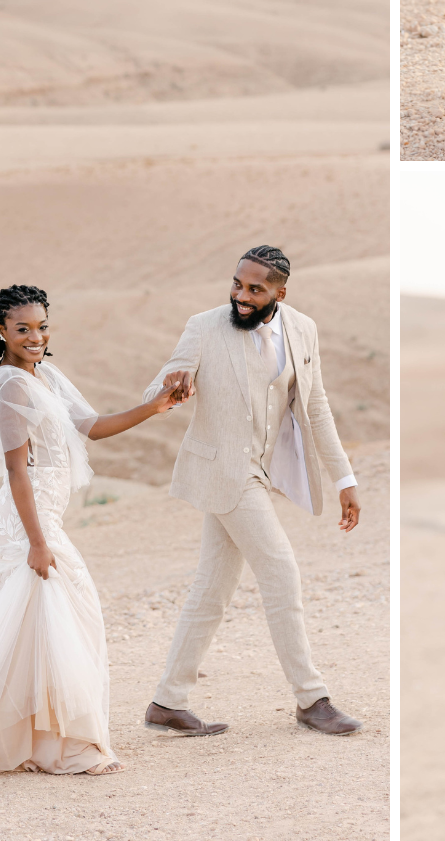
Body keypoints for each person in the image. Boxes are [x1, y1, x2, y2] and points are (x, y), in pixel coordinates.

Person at [0, 284, 184, 792]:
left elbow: (91, 426)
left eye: (42, 326)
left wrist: (155, 406)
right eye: (23, 329)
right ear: (1, 332)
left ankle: (39, 743)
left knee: (36, 629)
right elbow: (17, 472)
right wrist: (38, 542)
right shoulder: (9, 387)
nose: (35, 336)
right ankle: (71, 748)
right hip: (26, 522)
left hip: (44, 518)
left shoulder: (45, 377)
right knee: (71, 612)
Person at [141, 244, 363, 738]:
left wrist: (344, 479)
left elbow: (316, 406)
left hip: (263, 471)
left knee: (211, 591)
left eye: (255, 289)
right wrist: (170, 387)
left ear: (280, 292)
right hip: (225, 472)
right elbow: (161, 381)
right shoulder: (204, 325)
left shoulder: (303, 330)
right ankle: (312, 699)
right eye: (237, 284)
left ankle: (166, 702)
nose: (241, 296)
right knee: (281, 571)